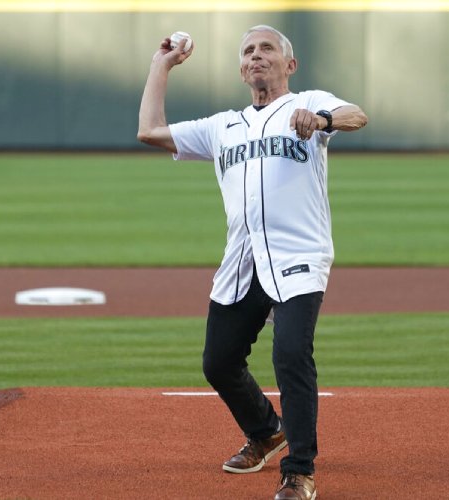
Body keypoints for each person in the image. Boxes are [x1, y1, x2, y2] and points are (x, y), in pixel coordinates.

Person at [138, 25, 368, 500]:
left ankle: (299, 470)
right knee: (218, 362)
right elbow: (150, 131)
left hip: (299, 257)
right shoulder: (223, 126)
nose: (256, 56)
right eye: (248, 51)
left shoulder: (307, 101)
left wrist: (322, 120)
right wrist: (161, 66)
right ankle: (265, 431)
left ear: (290, 64)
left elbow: (356, 115)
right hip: (242, 260)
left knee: (290, 356)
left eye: (267, 48)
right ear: (242, 69)